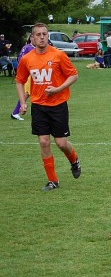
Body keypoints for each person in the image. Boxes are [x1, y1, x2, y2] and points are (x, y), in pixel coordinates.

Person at [15, 23, 81, 191]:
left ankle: (74, 160)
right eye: (38, 34)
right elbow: (20, 80)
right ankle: (53, 180)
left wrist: (58, 89)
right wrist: (23, 102)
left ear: (48, 36)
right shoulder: (27, 58)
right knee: (44, 142)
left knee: (61, 143)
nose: (42, 37)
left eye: (44, 34)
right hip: (38, 106)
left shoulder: (58, 55)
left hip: (58, 105)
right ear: (32, 38)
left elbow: (73, 75)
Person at [11, 35, 35, 121]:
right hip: (29, 74)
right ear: (31, 38)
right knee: (27, 93)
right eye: (33, 36)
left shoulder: (27, 47)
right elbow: (21, 59)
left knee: (32, 92)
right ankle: (16, 112)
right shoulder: (30, 48)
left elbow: (19, 58)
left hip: (31, 74)